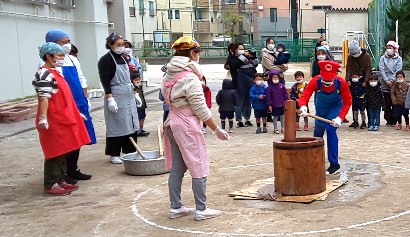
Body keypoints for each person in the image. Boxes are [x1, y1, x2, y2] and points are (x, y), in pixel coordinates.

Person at [161, 36, 229, 221]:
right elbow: (200, 109)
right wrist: (216, 129)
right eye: (198, 52)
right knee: (198, 164)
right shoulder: (189, 77)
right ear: (192, 53)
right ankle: (201, 209)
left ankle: (176, 207)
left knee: (177, 167)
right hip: (186, 125)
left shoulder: (169, 73)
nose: (199, 55)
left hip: (172, 122)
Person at [33, 42, 90, 195]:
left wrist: (76, 113)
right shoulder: (44, 73)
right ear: (48, 56)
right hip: (53, 119)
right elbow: (44, 97)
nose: (62, 58)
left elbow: (66, 97)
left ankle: (60, 179)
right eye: (59, 55)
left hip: (64, 117)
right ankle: (50, 184)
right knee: (55, 151)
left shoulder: (56, 72)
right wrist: (43, 117)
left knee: (65, 150)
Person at [45, 29, 95, 182]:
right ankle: (62, 173)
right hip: (63, 105)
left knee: (78, 137)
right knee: (65, 139)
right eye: (63, 42)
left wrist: (86, 98)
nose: (67, 45)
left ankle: (73, 169)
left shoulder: (72, 59)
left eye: (68, 41)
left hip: (78, 101)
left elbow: (81, 79)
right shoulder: (48, 64)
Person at [299, 60, 352, 175]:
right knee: (318, 133)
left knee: (330, 129)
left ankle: (334, 163)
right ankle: (315, 160)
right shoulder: (315, 81)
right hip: (321, 108)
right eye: (325, 80)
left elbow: (348, 101)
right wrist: (303, 106)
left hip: (335, 108)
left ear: (335, 76)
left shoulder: (341, 83)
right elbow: (305, 95)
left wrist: (340, 117)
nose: (327, 82)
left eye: (329, 80)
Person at [98, 32, 140, 164]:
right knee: (117, 123)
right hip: (116, 93)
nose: (121, 47)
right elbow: (105, 81)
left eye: (123, 45)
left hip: (128, 92)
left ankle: (130, 151)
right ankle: (114, 153)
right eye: (118, 45)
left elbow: (130, 76)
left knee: (131, 122)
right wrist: (110, 98)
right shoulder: (105, 60)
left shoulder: (124, 58)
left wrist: (135, 93)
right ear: (110, 45)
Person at [379, 40, 403, 127]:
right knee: (387, 102)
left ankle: (395, 119)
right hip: (385, 83)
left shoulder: (399, 59)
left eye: (390, 48)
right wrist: (386, 80)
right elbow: (382, 69)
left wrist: (392, 80)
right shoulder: (382, 58)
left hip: (395, 83)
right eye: (387, 48)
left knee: (394, 102)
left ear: (394, 49)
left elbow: (398, 70)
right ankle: (388, 119)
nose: (389, 49)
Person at [235, 43, 258, 127]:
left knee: (248, 102)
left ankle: (247, 119)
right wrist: (245, 56)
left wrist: (251, 56)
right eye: (239, 49)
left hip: (249, 82)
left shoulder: (248, 56)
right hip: (240, 83)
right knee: (239, 103)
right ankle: (239, 120)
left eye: (243, 49)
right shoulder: (235, 58)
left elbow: (255, 62)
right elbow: (243, 61)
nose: (242, 50)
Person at [266, 70, 288, 134]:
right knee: (275, 117)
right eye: (274, 78)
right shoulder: (269, 87)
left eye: (276, 77)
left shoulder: (281, 86)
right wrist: (269, 104)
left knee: (282, 116)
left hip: (281, 104)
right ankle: (275, 128)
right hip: (274, 104)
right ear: (271, 78)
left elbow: (285, 94)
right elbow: (268, 97)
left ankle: (283, 128)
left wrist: (286, 102)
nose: (275, 79)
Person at [131, 72, 150, 137]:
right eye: (136, 80)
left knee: (142, 116)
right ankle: (137, 130)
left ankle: (141, 129)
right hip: (136, 106)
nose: (138, 81)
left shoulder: (140, 87)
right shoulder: (132, 88)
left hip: (142, 105)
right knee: (137, 117)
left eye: (139, 79)